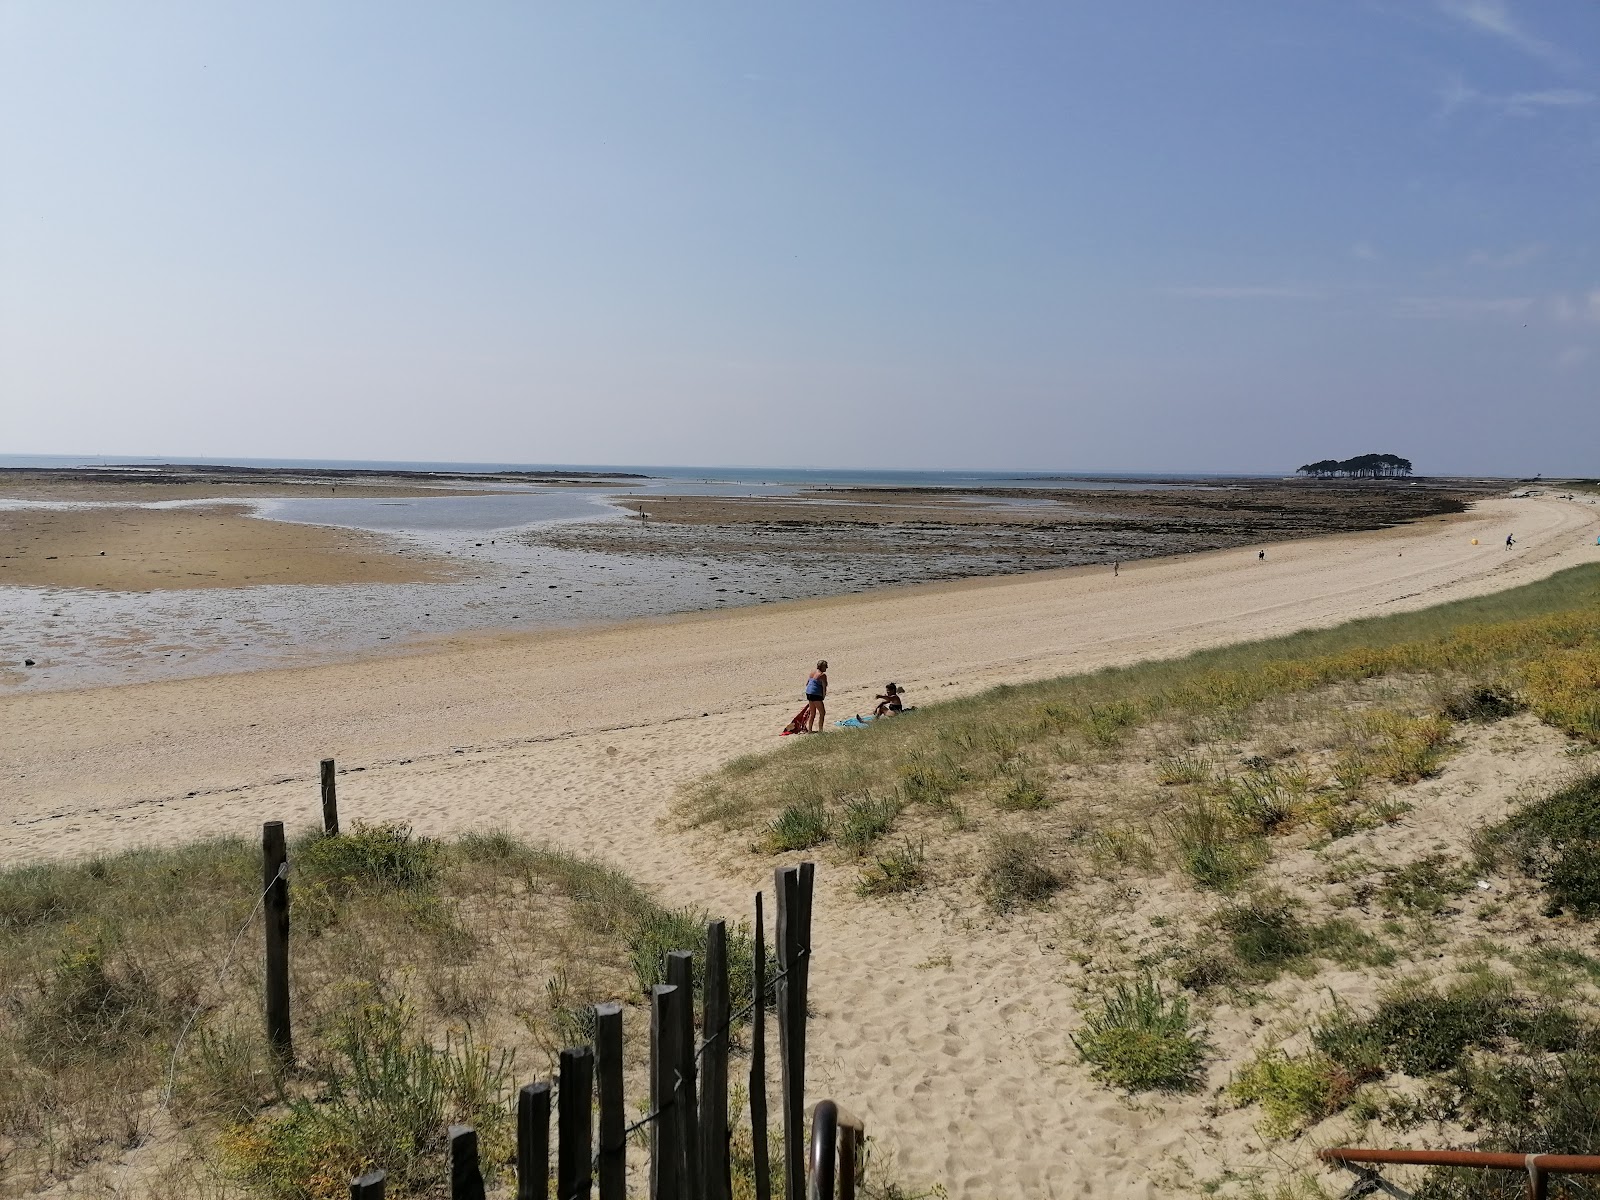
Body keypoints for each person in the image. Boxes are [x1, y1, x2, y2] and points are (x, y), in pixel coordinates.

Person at [804, 660, 829, 732]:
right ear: (822, 667)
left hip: (809, 693)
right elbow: (824, 687)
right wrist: (823, 696)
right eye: (825, 666)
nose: (826, 668)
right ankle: (820, 730)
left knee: (812, 713)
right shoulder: (822, 675)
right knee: (822, 712)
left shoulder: (812, 672)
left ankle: (810, 730)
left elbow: (807, 683)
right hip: (815, 694)